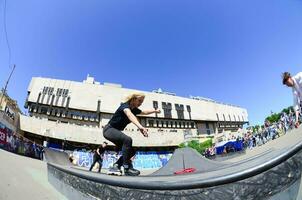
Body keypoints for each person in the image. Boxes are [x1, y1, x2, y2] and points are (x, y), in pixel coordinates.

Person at [103, 93, 161, 176]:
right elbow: (129, 115)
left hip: (115, 131)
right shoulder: (125, 106)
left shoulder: (134, 110)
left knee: (131, 151)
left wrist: (155, 111)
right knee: (127, 139)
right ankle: (126, 168)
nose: (141, 103)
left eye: (142, 102)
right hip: (109, 130)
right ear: (133, 99)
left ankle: (116, 166)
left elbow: (144, 112)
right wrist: (140, 127)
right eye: (139, 101)